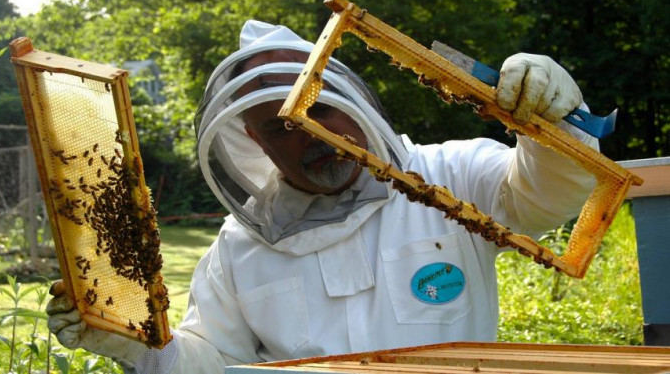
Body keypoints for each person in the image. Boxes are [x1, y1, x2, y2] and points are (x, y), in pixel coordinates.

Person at [46, 20, 598, 374]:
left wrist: (554, 125)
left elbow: (547, 195)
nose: (311, 138)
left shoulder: (449, 175)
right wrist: (134, 343)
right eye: (282, 128)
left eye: (317, 111)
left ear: (349, 99)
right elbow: (212, 361)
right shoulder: (239, 250)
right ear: (254, 140)